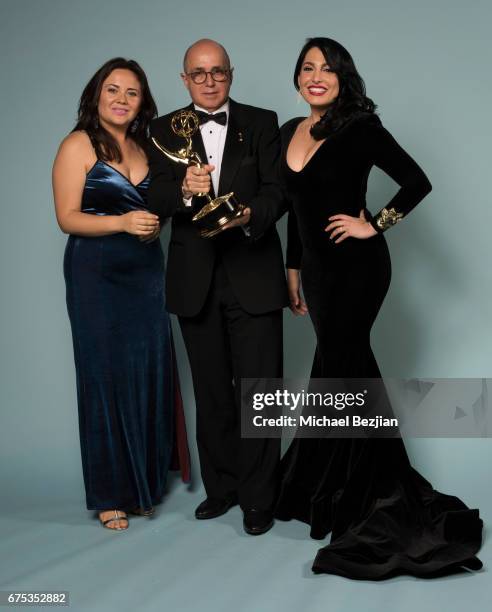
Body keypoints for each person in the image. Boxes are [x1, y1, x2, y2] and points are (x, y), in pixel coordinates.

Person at [275, 37, 483, 578]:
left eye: (328, 68)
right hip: (317, 276)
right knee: (337, 370)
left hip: (358, 270)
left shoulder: (360, 129)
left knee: (345, 369)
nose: (316, 76)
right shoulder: (286, 134)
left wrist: (374, 224)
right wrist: (293, 270)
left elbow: (417, 182)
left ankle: (372, 494)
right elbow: (296, 213)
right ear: (296, 78)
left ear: (343, 78)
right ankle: (328, 487)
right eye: (307, 68)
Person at [147, 39, 288, 535]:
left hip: (254, 273)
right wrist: (184, 189)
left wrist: (251, 215)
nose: (209, 81)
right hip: (195, 280)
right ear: (184, 79)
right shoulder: (161, 129)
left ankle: (259, 498)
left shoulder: (262, 121)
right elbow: (152, 194)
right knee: (212, 394)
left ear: (231, 74)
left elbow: (278, 191)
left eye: (218, 72)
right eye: (198, 73)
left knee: (261, 395)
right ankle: (222, 488)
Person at [53, 57, 190, 531]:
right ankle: (111, 494)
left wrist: (158, 220)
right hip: (97, 274)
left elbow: (155, 207)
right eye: (112, 90)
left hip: (147, 272)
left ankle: (144, 486)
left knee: (146, 374)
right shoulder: (77, 144)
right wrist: (122, 223)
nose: (121, 100)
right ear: (96, 95)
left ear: (142, 102)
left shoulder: (146, 147)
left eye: (131, 93)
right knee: (103, 377)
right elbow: (67, 217)